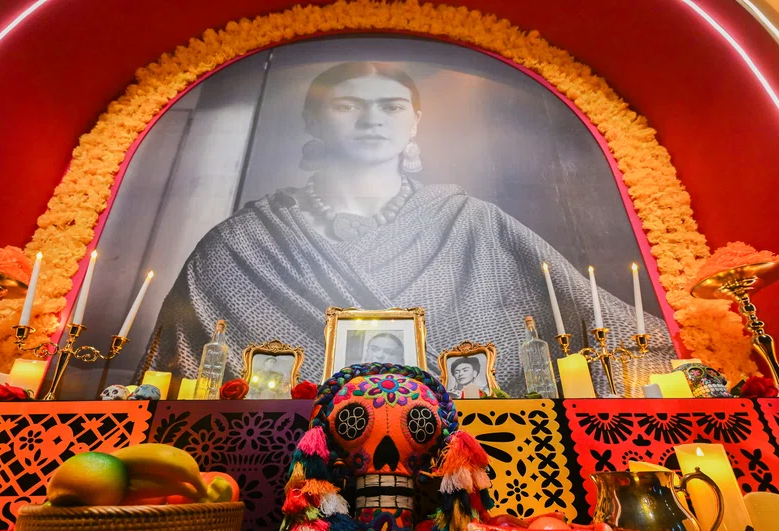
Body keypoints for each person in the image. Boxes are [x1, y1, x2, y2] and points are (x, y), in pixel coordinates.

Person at [146, 61, 676, 396]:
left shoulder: (475, 223)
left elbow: (615, 333)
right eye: (348, 105)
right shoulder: (241, 243)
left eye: (391, 106)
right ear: (313, 121)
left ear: (414, 122)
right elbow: (173, 378)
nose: (371, 119)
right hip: (286, 466)